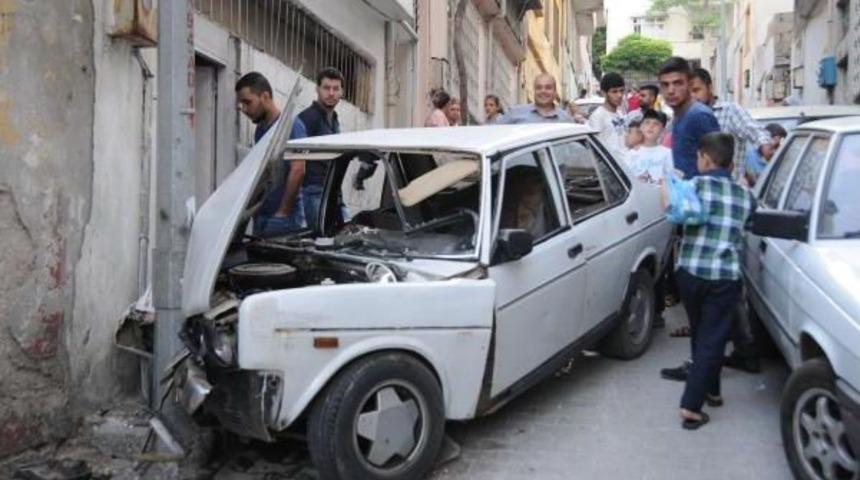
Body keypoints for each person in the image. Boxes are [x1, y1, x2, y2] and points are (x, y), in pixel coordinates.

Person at [659, 132, 755, 430]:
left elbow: (673, 214)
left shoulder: (693, 186)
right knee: (713, 338)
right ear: (729, 163)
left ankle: (699, 400)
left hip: (691, 273)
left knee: (702, 335)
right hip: (724, 277)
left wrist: (666, 185)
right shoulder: (744, 196)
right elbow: (751, 223)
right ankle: (701, 398)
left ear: (705, 158)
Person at [235, 71, 305, 235]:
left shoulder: (292, 125)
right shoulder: (260, 130)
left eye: (247, 102)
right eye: (241, 104)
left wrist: (283, 212)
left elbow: (298, 169)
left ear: (265, 96)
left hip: (284, 219)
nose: (244, 109)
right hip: (262, 216)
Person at [690, 68, 774, 182]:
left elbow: (754, 130)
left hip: (730, 187)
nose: (693, 96)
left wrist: (765, 146)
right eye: (689, 93)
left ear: (710, 88)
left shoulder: (729, 111)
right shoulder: (688, 118)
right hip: (698, 187)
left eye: (696, 90)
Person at [295, 67, 345, 229]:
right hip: (313, 193)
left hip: (333, 192)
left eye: (335, 89)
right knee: (320, 238)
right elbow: (294, 159)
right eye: (326, 88)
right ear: (317, 89)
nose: (331, 93)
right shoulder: (308, 118)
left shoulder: (335, 120)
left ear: (341, 92)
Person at [659, 58, 721, 179]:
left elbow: (718, 168)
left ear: (690, 84)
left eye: (677, 83)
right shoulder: (678, 116)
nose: (670, 91)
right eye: (665, 85)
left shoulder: (699, 116)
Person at [501, 73, 573, 123]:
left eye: (548, 88)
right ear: (534, 91)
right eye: (539, 87)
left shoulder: (566, 120)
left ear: (555, 92)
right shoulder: (515, 113)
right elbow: (497, 134)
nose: (543, 91)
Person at [628, 109, 673, 185]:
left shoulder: (668, 154)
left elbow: (671, 180)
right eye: (647, 122)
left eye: (656, 124)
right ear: (641, 127)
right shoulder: (631, 154)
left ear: (663, 131)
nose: (651, 126)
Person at [588, 72, 626, 158]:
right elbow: (596, 149)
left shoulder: (619, 113)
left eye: (621, 91)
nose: (619, 95)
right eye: (614, 91)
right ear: (604, 93)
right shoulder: (597, 116)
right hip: (611, 164)